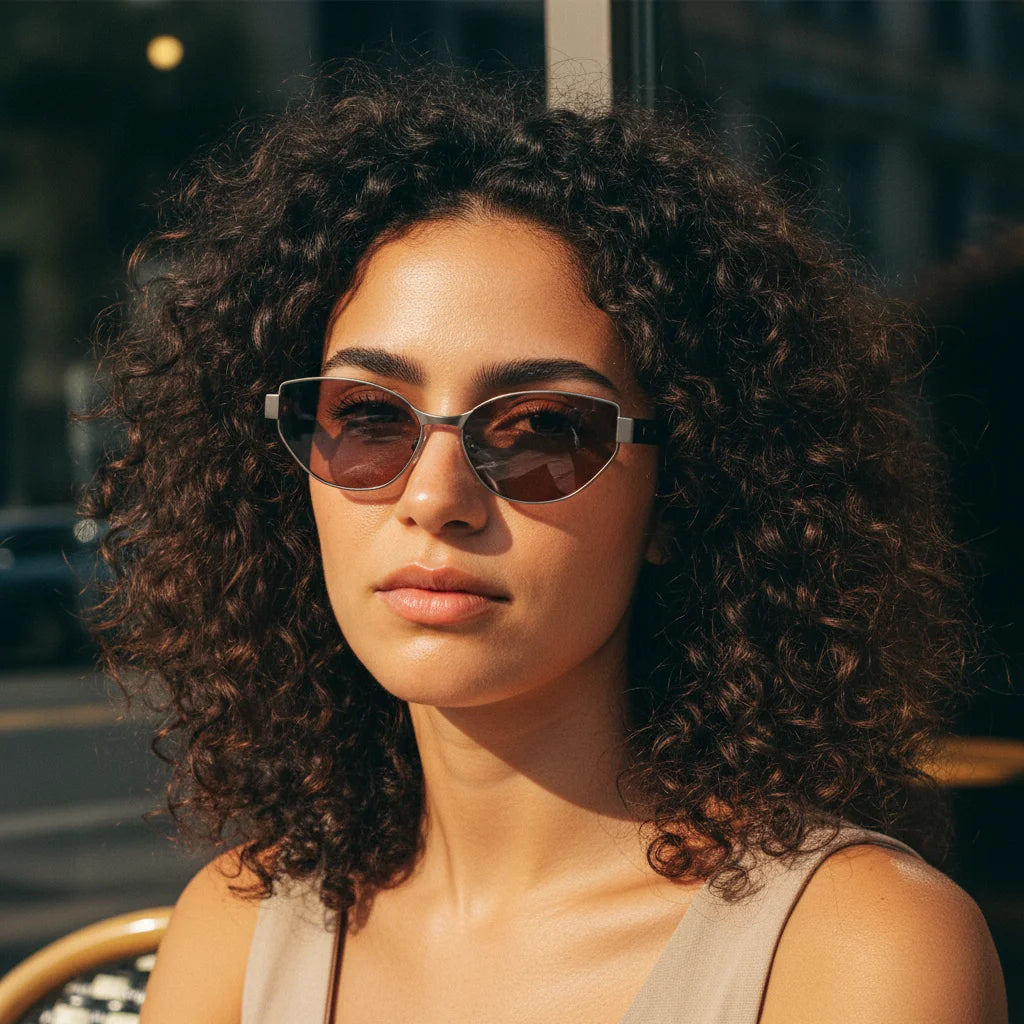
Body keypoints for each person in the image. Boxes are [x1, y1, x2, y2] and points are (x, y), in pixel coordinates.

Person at [78, 59, 1007, 1023]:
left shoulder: (853, 951)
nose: (435, 498)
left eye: (545, 430)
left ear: (681, 496)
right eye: (367, 418)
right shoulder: (237, 931)